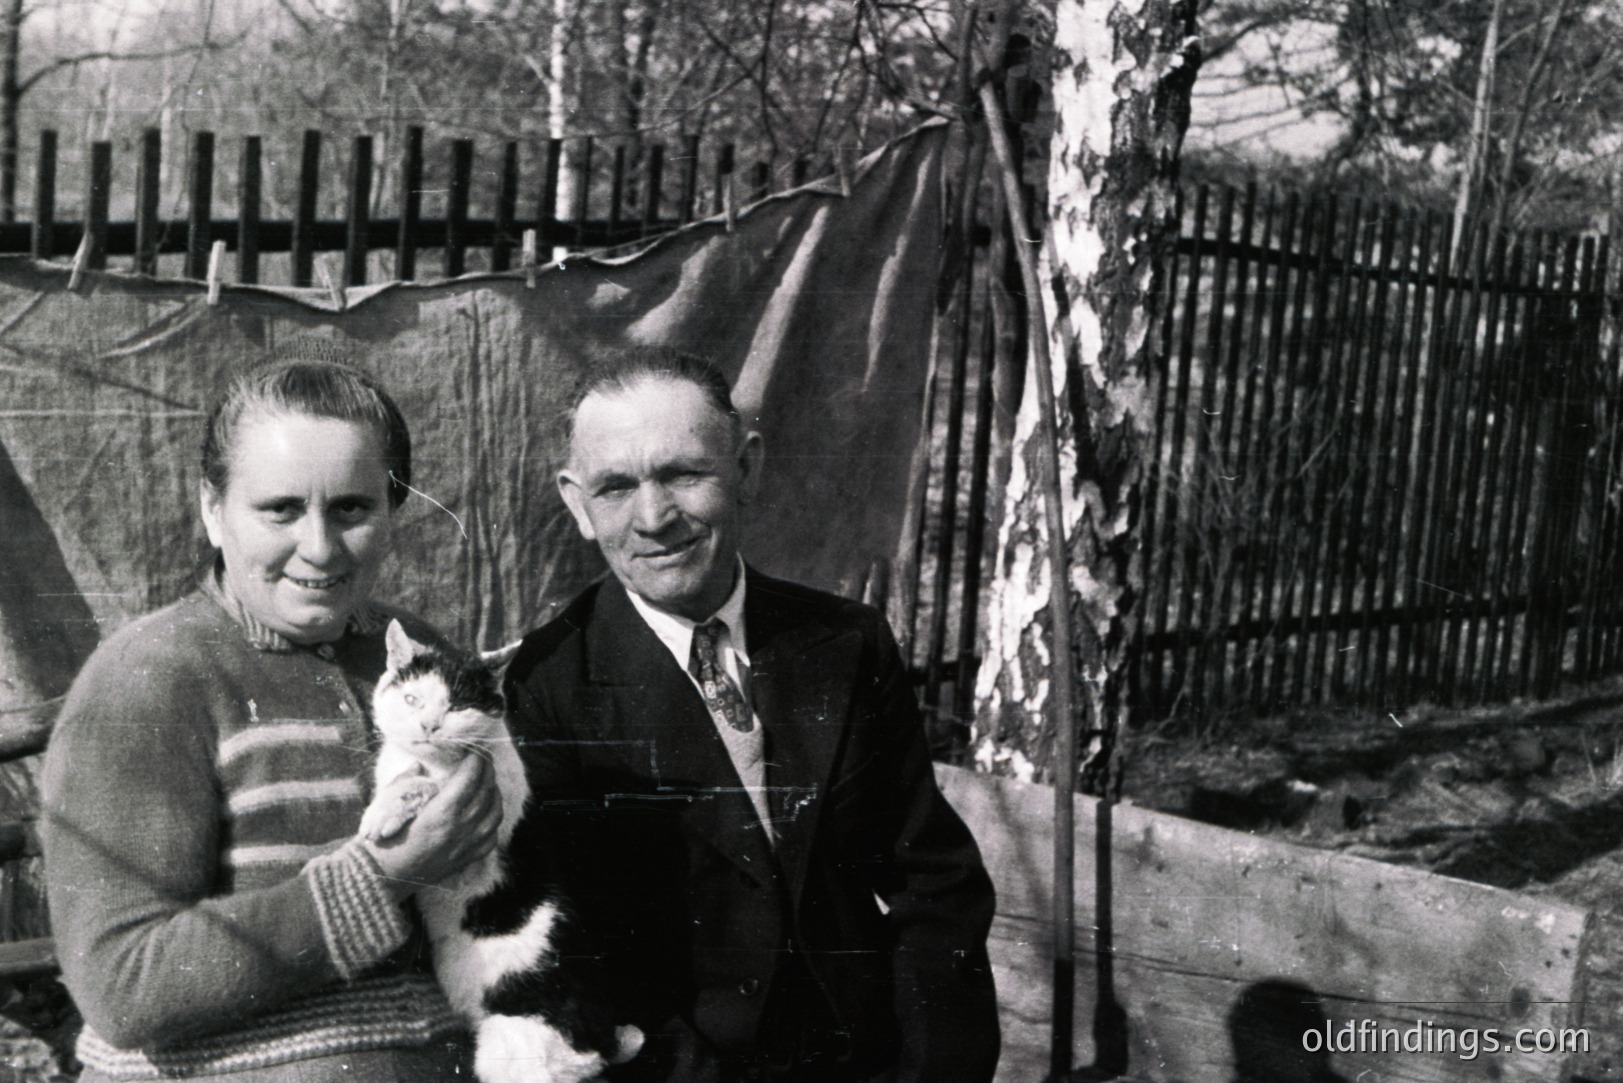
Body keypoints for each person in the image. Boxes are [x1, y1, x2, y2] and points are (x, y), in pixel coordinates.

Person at [503, 346, 1001, 1083]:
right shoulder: (548, 685)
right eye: (615, 487)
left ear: (746, 469)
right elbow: (572, 946)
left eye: (683, 474)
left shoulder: (844, 643)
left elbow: (933, 885)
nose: (654, 518)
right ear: (577, 504)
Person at [40, 360, 499, 1081]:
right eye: (280, 509)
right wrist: (383, 876)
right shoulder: (147, 678)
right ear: (212, 510)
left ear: (394, 510)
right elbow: (121, 987)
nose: (318, 547)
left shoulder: (415, 655)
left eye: (352, 508)